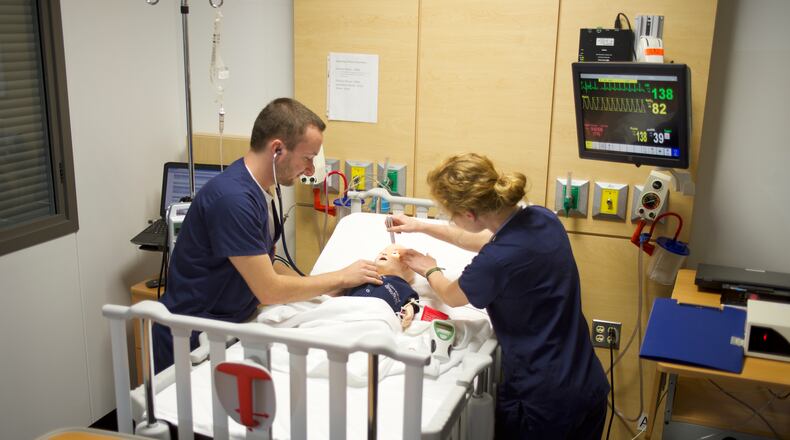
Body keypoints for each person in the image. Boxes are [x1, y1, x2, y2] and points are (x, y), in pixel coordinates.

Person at [387, 153, 609, 440]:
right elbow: (479, 238)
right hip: (587, 383)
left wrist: (430, 269)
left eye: (450, 214)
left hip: (543, 402)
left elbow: (452, 296)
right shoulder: (541, 217)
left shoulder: (495, 261)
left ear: (469, 214)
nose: (450, 220)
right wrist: (421, 226)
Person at [152, 98, 382, 373]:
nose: (311, 170)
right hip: (190, 337)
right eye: (307, 158)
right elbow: (269, 289)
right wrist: (341, 277)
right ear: (277, 150)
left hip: (225, 327)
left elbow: (266, 262)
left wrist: (320, 292)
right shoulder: (233, 199)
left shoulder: (263, 189)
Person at [345, 244, 421, 328]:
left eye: (394, 253)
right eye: (382, 252)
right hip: (348, 309)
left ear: (406, 266)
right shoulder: (362, 274)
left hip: (376, 318)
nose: (384, 253)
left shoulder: (403, 286)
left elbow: (410, 302)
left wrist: (409, 311)